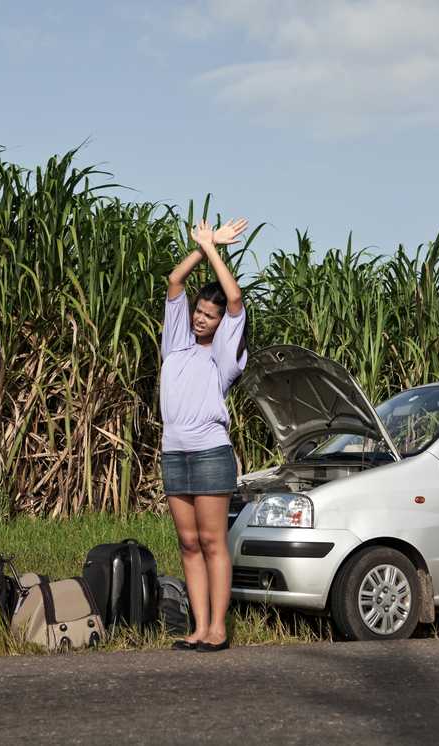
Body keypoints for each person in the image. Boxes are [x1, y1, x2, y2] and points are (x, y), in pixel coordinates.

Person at [161, 216, 249, 652]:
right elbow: (175, 279)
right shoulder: (175, 343)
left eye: (209, 316)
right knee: (188, 542)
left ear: (221, 324)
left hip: (211, 453)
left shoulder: (226, 357)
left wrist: (216, 250)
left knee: (214, 541)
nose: (200, 319)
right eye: (198, 311)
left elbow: (233, 297)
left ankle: (218, 628)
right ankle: (197, 627)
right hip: (174, 453)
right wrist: (202, 244)